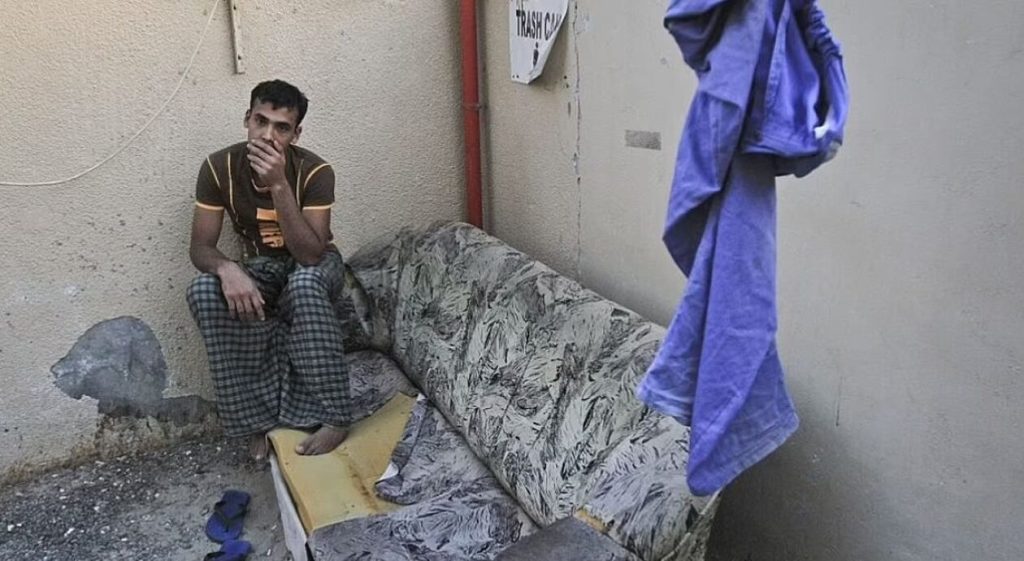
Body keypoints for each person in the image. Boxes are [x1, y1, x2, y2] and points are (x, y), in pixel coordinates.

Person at [186, 79, 351, 461]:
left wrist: (279, 185)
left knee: (306, 284)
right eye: (261, 121)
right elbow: (200, 246)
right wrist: (228, 269)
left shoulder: (315, 171)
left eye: (282, 128)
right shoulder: (218, 167)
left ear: (296, 134)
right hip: (259, 266)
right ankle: (255, 421)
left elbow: (311, 253)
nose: (268, 135)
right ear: (247, 119)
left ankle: (336, 417)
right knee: (203, 292)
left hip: (315, 262)